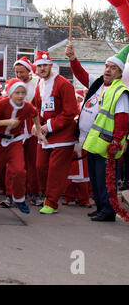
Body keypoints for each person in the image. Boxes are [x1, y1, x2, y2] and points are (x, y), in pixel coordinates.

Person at [66, 43, 129, 222]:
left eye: (113, 68)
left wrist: (116, 142)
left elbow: (123, 119)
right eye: (107, 66)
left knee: (106, 180)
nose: (108, 70)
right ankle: (101, 207)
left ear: (119, 73)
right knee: (95, 178)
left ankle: (108, 211)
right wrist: (72, 59)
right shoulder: (99, 84)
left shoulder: (121, 91)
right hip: (93, 141)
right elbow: (81, 75)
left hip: (108, 143)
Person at [0, 78, 47, 214]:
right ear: (11, 93)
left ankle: (19, 199)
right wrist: (7, 122)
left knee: (19, 170)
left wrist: (38, 131)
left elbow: (34, 114)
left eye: (23, 93)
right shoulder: (2, 104)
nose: (20, 96)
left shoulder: (26, 106)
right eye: (17, 93)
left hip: (15, 141)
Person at [32, 50, 78, 215]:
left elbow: (70, 112)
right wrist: (37, 125)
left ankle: (51, 202)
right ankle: (47, 195)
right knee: (40, 166)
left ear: (51, 65)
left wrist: (49, 126)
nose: (42, 68)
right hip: (45, 133)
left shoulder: (64, 84)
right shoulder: (39, 84)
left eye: (45, 65)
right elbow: (37, 108)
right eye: (39, 66)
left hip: (63, 135)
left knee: (55, 170)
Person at [13, 57, 42, 206]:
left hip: (31, 127)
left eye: (21, 72)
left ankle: (35, 192)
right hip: (17, 128)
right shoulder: (13, 84)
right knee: (17, 163)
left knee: (32, 162)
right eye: (17, 72)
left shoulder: (37, 83)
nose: (18, 75)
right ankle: (17, 192)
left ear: (28, 71)